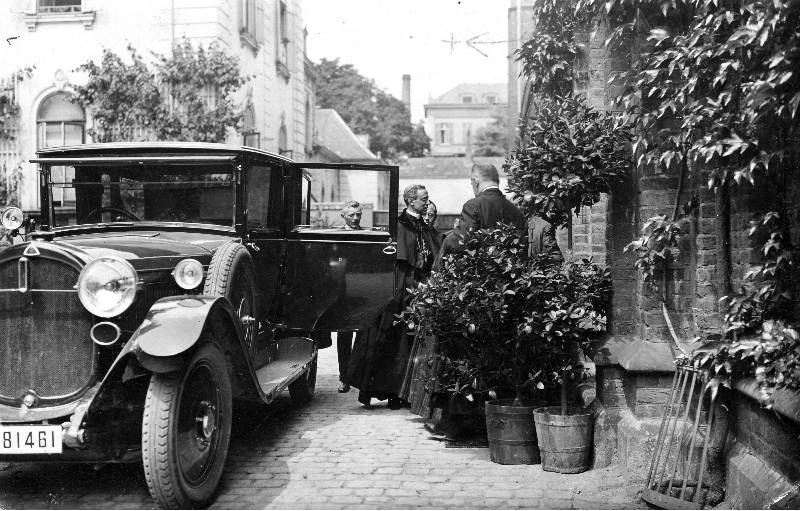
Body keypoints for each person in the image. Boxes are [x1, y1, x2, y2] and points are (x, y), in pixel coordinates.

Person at [344, 184, 440, 409]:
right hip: (399, 287)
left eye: (427, 198)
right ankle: (389, 391)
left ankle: (405, 392)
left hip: (419, 286)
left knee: (410, 339)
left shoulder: (423, 225)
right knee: (390, 338)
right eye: (423, 199)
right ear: (410, 201)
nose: (427, 202)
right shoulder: (399, 225)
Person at [336, 200, 364, 393]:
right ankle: (344, 377)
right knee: (344, 334)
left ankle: (360, 378)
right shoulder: (336, 235)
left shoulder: (366, 235)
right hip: (343, 291)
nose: (355, 218)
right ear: (343, 216)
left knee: (364, 334)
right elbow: (334, 260)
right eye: (351, 215)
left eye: (358, 215)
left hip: (362, 289)